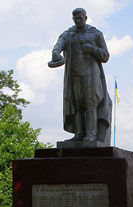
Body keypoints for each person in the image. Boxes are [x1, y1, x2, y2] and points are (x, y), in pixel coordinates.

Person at [49, 8, 111, 143]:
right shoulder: (68, 34)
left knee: (90, 104)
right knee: (77, 104)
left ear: (86, 18)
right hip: (74, 75)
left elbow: (105, 56)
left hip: (91, 75)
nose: (78, 20)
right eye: (75, 18)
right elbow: (58, 45)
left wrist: (91, 49)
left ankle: (91, 134)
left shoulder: (95, 34)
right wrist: (55, 53)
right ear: (73, 19)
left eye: (80, 18)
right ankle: (79, 133)